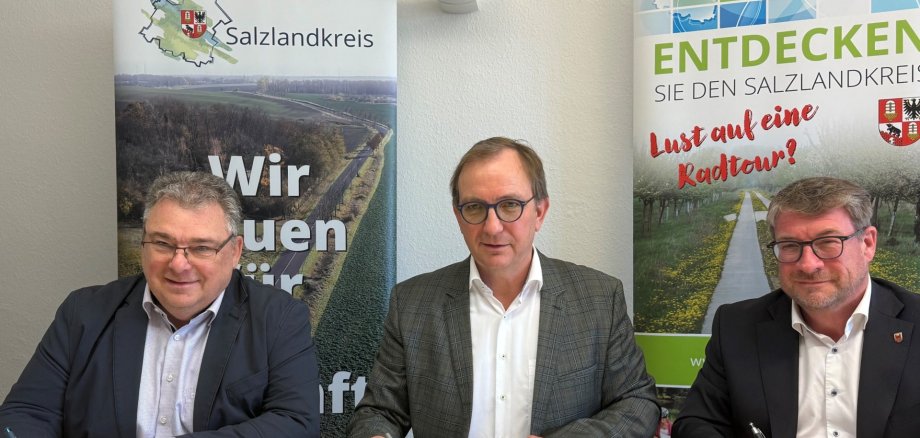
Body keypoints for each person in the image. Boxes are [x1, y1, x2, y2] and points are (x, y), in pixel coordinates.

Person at [347, 137, 658, 438]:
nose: (492, 227)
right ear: (458, 216)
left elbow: (637, 404)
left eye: (510, 205)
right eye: (474, 207)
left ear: (540, 211)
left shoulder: (599, 299)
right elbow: (379, 412)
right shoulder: (412, 303)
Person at [0, 171, 320, 436]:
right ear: (143, 244)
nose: (179, 264)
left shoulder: (278, 319)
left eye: (201, 248)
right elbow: (25, 413)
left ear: (235, 252)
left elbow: (295, 424)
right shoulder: (83, 313)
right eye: (163, 244)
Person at [673, 176, 920, 438]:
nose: (808, 264)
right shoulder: (736, 326)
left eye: (827, 242)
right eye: (790, 246)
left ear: (867, 244)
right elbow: (696, 423)